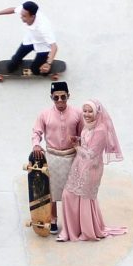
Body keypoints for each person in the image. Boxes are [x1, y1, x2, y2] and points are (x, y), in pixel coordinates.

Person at [57, 99, 127, 242]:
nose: (87, 114)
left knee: (84, 199)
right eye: (85, 111)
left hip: (92, 169)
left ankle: (87, 232)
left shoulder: (101, 129)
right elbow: (87, 144)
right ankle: (70, 232)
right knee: (68, 195)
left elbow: (91, 154)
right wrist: (78, 140)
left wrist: (76, 147)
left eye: (90, 111)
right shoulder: (87, 126)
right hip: (79, 166)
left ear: (96, 113)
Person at [31, 81, 83, 234]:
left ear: (68, 96)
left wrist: (80, 144)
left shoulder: (77, 113)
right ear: (51, 97)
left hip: (71, 157)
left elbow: (82, 134)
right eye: (56, 98)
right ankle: (53, 219)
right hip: (52, 156)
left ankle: (72, 221)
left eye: (63, 97)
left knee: (72, 191)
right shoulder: (44, 114)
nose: (60, 101)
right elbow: (36, 132)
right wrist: (36, 145)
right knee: (51, 192)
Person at [0, 1, 58, 75]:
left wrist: (48, 64)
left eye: (24, 16)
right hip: (30, 39)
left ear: (32, 16)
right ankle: (16, 64)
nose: (21, 17)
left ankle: (45, 67)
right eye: (21, 15)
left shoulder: (44, 27)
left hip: (43, 45)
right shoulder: (25, 11)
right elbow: (13, 9)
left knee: (35, 70)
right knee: (13, 63)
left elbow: (54, 47)